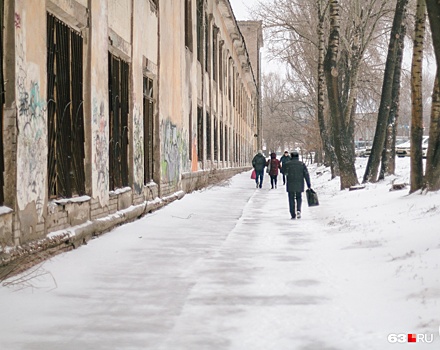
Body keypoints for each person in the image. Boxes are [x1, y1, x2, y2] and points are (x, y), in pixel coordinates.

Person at [284, 151, 311, 219]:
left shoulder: (288, 164)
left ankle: (292, 213)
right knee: (299, 197)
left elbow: (284, 172)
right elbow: (306, 174)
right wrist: (308, 184)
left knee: (291, 198)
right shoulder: (301, 164)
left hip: (290, 183)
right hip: (299, 182)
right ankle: (298, 209)